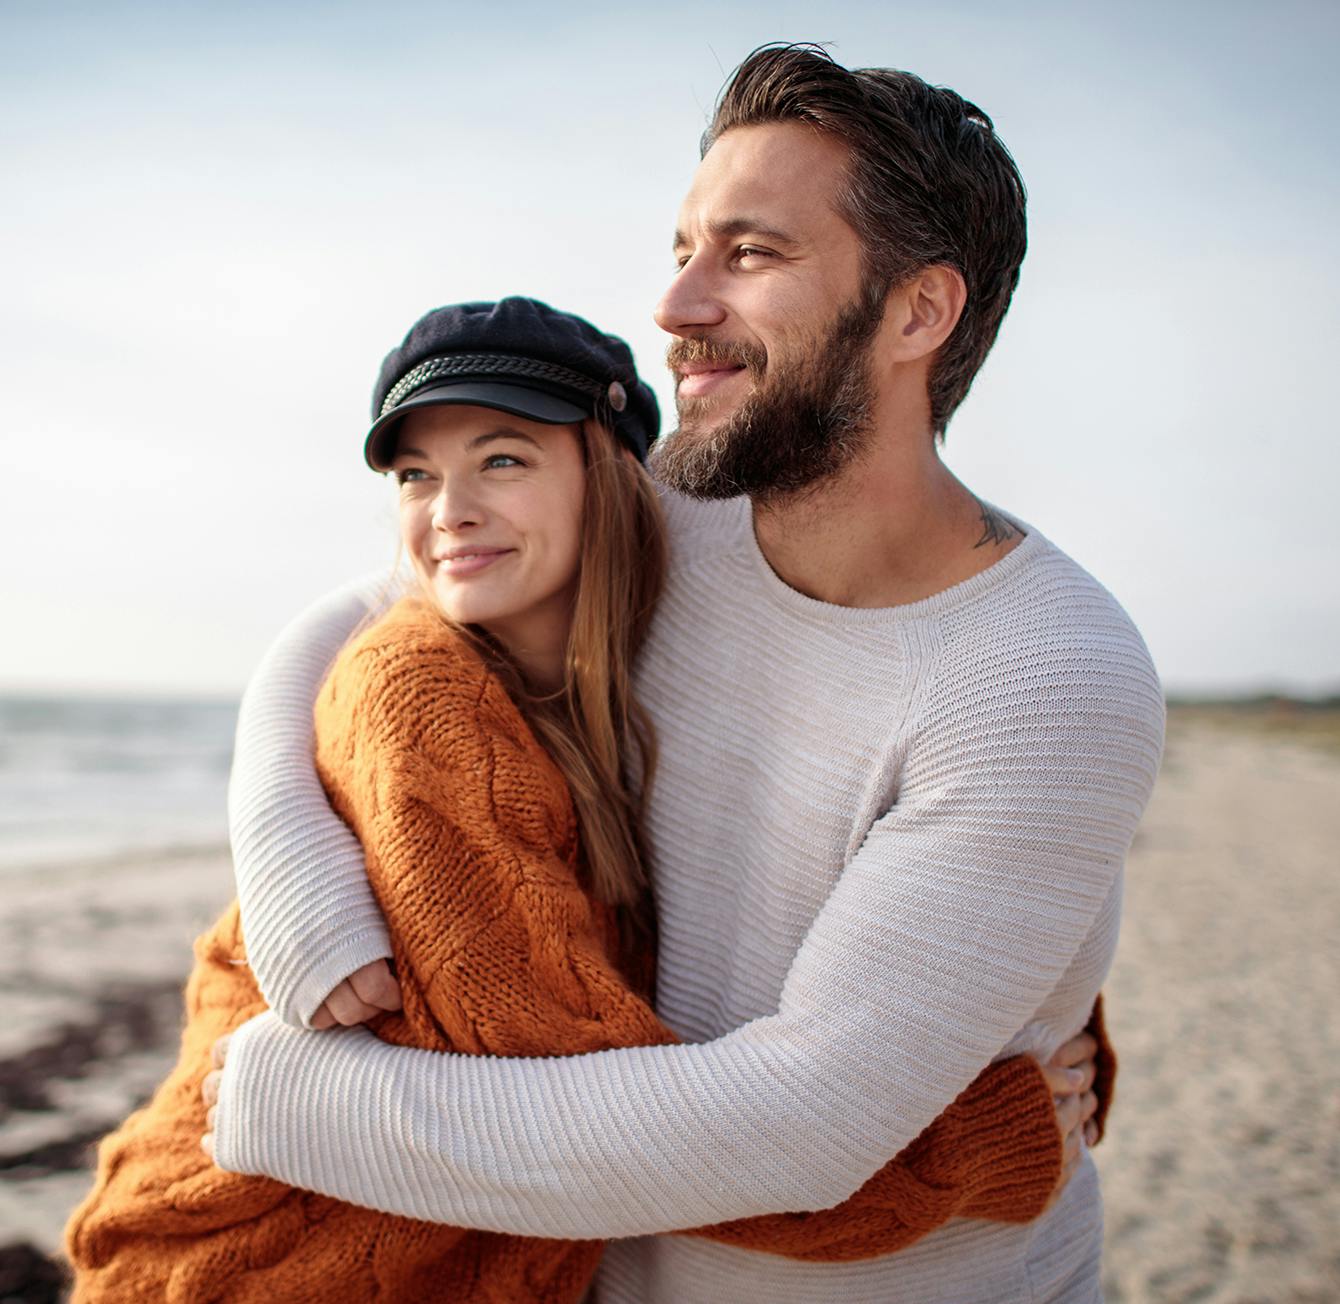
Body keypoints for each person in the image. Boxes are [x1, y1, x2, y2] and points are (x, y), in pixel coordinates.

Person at [205, 45, 1164, 1303]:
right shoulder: (675, 514)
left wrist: (300, 1102)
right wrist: (289, 858)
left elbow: (798, 1123)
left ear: (916, 313)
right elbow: (350, 620)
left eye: (751, 254)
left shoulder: (1042, 671)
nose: (675, 307)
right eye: (682, 250)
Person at [64, 297, 1100, 1302]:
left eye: (501, 458)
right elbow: (613, 1144)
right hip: (253, 1267)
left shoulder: (606, 668)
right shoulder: (422, 698)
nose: (447, 510)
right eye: (415, 474)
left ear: (615, 479)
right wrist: (983, 1135)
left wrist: (992, 1004)